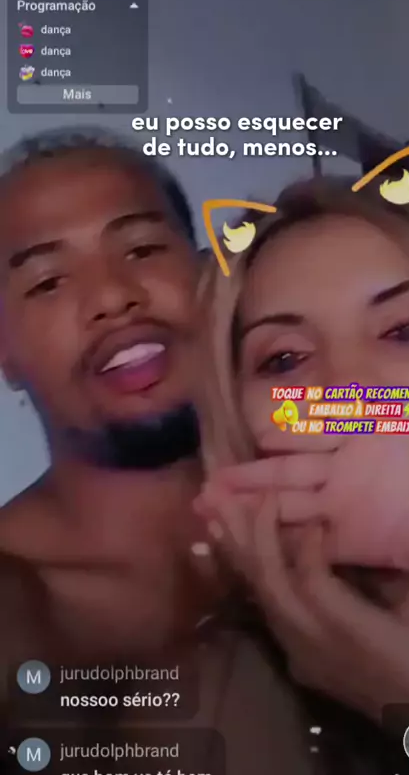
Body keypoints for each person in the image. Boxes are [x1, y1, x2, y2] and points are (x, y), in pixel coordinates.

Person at [0, 129, 324, 775]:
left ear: (206, 275)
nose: (113, 298)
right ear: (3, 353)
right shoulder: (19, 605)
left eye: (143, 249)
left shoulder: (340, 490)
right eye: (48, 282)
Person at [195, 177, 409, 766]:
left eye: (408, 329)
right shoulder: (220, 693)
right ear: (239, 417)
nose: (352, 388)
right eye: (285, 360)